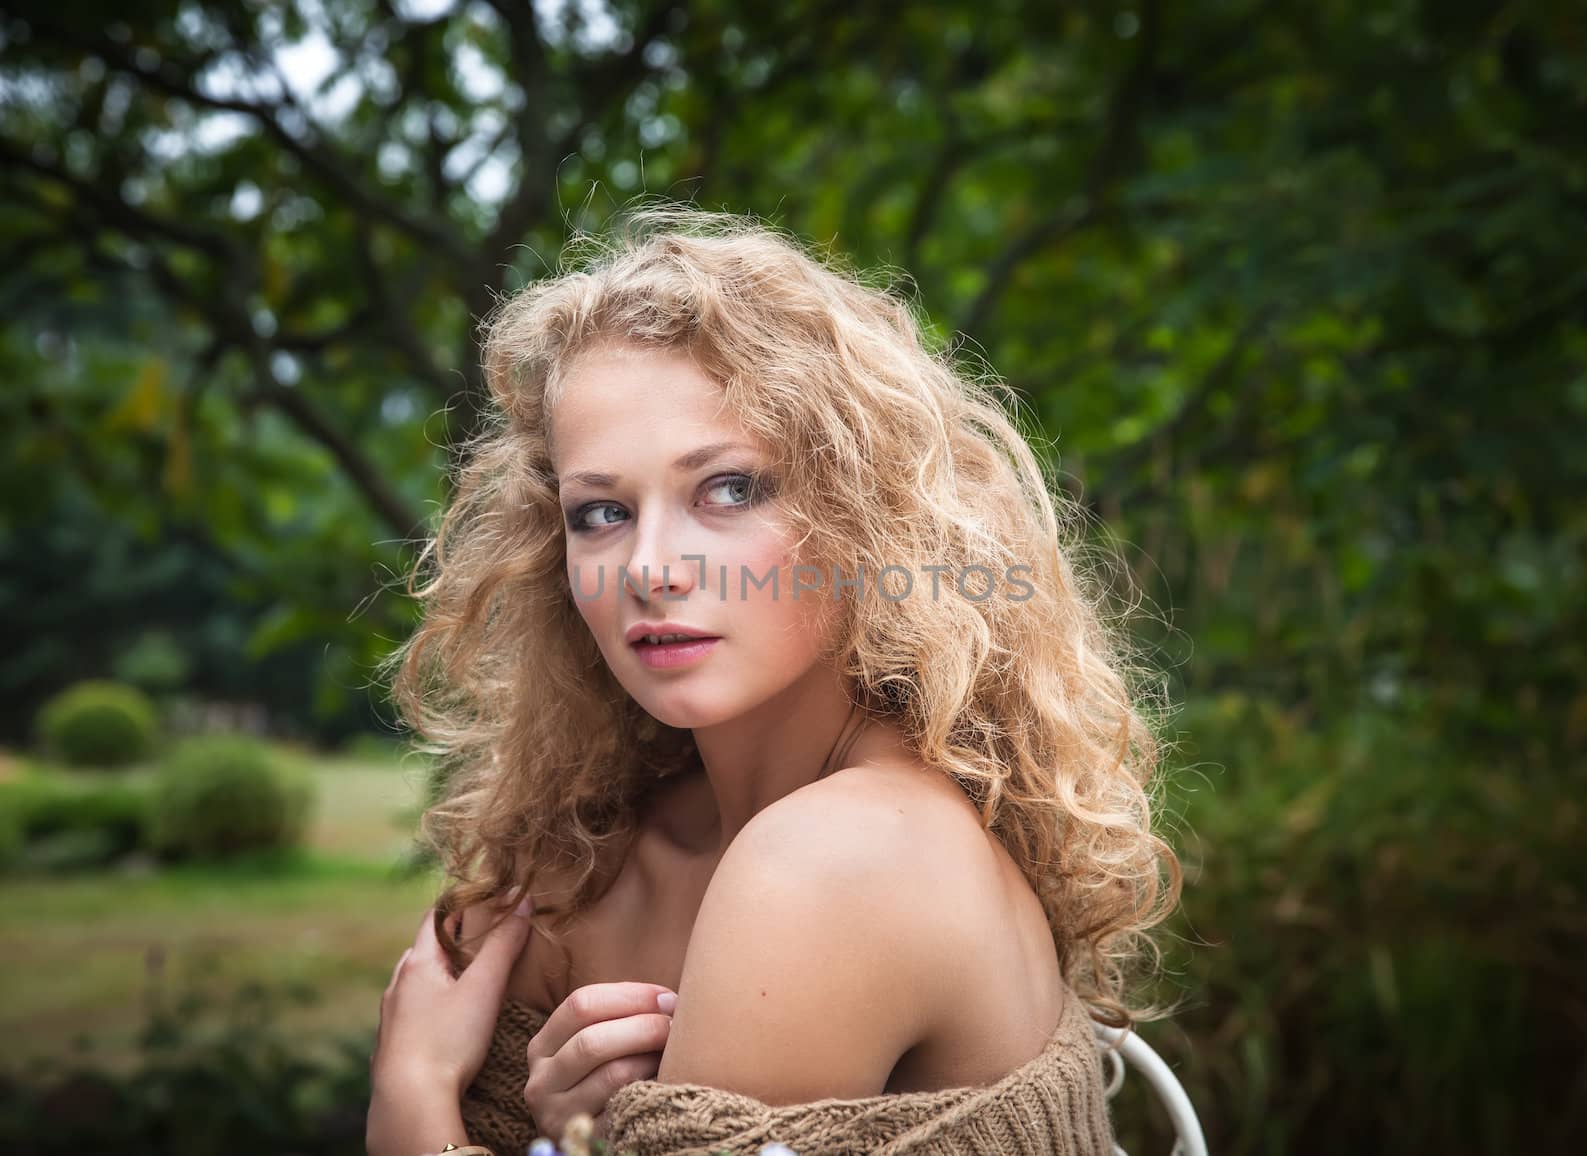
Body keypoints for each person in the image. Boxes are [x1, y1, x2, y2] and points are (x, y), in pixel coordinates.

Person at [365, 205, 1182, 1156]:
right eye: (600, 512)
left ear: (865, 516)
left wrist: (414, 1103)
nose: (652, 566)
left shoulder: (837, 860)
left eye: (730, 489)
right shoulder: (597, 855)